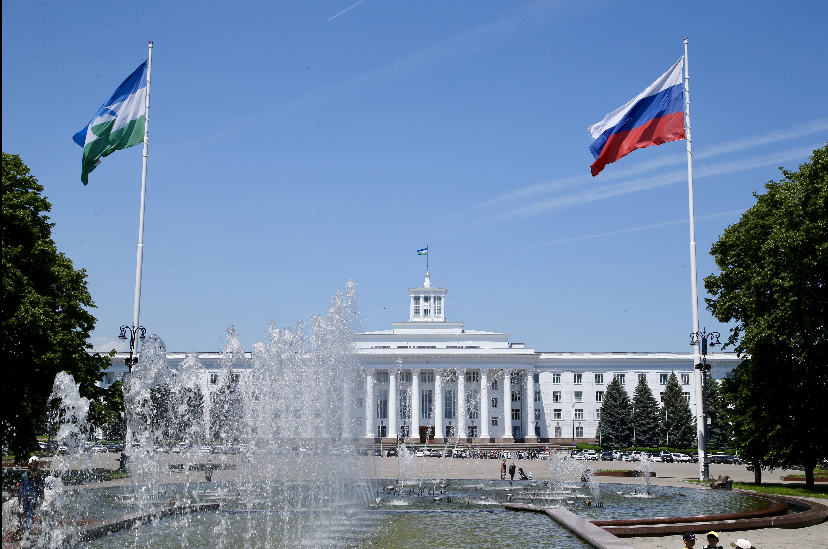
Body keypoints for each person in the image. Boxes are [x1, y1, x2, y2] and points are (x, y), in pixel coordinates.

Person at [18, 456, 45, 534]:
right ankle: (26, 533)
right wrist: (41, 497)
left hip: (24, 496)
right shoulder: (39, 475)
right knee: (30, 515)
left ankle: (25, 531)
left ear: (28, 464)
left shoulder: (24, 475)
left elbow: (20, 488)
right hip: (33, 496)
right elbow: (41, 487)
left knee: (25, 514)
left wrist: (19, 499)